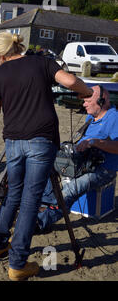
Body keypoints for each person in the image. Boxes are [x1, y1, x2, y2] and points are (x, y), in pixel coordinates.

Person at [0, 32, 93, 281]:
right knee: (31, 200)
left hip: (13, 140)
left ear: (1, 55)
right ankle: (17, 263)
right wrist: (86, 92)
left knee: (13, 193)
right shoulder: (41, 62)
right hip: (41, 140)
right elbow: (68, 81)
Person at [37, 85, 118, 231]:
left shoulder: (114, 118)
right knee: (44, 163)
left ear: (102, 101)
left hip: (103, 170)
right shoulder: (91, 116)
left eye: (87, 101)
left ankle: (38, 222)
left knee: (70, 190)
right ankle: (47, 204)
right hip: (82, 162)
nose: (84, 104)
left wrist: (95, 142)